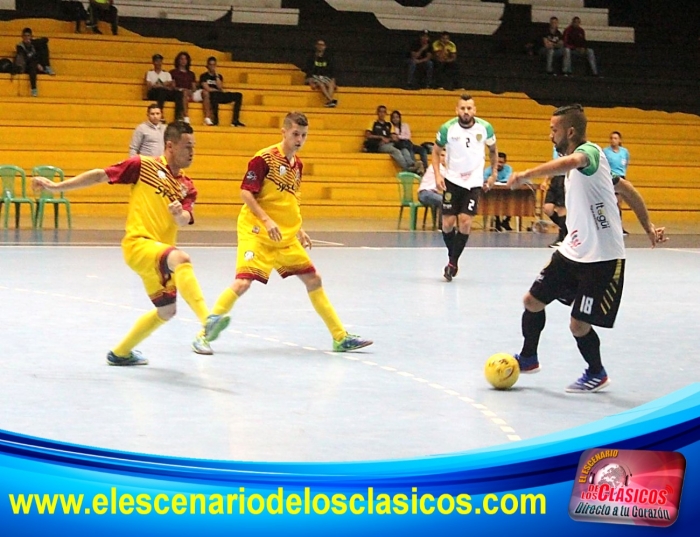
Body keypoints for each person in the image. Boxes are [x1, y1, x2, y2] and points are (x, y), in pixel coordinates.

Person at [32, 122, 230, 366]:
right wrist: (57, 187)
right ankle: (207, 320)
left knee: (167, 311)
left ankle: (121, 353)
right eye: (187, 146)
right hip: (139, 245)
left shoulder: (187, 187)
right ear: (170, 145)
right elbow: (100, 175)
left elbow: (184, 219)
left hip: (158, 256)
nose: (192, 152)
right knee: (182, 259)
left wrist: (178, 214)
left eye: (194, 147)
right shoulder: (142, 165)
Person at [507, 104, 666, 393]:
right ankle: (528, 357)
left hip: (603, 258)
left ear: (570, 131)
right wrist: (648, 226)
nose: (550, 136)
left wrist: (527, 173)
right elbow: (628, 190)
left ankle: (596, 372)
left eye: (553, 130)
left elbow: (575, 161)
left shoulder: (590, 153)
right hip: (573, 250)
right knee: (532, 301)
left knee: (578, 325)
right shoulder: (591, 167)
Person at [195, 112, 372, 355]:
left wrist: (299, 229)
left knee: (314, 279)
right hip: (256, 231)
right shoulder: (264, 159)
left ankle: (340, 337)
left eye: (304, 135)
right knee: (243, 282)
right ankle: (203, 334)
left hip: (284, 235)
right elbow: (246, 193)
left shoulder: (297, 165)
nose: (300, 140)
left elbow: (288, 199)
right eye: (296, 134)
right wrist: (267, 220)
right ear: (284, 132)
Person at [433, 94, 498, 282]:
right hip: (452, 180)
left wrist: (493, 174)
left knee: (465, 221)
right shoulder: (447, 128)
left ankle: (452, 262)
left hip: (474, 181)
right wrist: (438, 175)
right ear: (457, 110)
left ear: (474, 110)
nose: (466, 112)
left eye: (469, 108)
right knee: (447, 223)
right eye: (462, 108)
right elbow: (436, 152)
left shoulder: (485, 128)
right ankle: (452, 257)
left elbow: (493, 151)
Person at [363, 105, 416, 172]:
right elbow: (368, 135)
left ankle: (412, 164)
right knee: (396, 151)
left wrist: (389, 139)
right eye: (380, 112)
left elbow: (395, 137)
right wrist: (381, 137)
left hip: (390, 143)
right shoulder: (373, 123)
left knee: (404, 149)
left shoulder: (389, 124)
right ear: (377, 113)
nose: (382, 114)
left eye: (384, 112)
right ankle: (407, 169)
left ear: (386, 113)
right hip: (380, 145)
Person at [199, 56, 245, 127]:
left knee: (238, 95)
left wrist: (216, 75)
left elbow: (220, 87)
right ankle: (215, 121)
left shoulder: (219, 76)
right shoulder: (203, 76)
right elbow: (207, 88)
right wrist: (216, 90)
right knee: (214, 95)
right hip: (211, 96)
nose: (212, 67)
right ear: (207, 66)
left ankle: (235, 120)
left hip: (219, 94)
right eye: (210, 65)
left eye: (214, 65)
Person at [603, 131, 631, 236]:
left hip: (620, 177)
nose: (613, 140)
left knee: (618, 203)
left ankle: (619, 226)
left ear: (619, 140)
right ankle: (608, 226)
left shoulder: (624, 152)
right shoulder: (605, 151)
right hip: (609, 177)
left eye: (615, 138)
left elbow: (626, 164)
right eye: (611, 138)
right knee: (609, 203)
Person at [14, 27, 55, 98]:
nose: (26, 38)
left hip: (38, 64)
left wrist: (33, 42)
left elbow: (46, 39)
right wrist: (37, 64)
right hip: (28, 66)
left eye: (28, 36)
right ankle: (34, 88)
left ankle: (47, 67)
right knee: (32, 64)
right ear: (22, 37)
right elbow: (26, 59)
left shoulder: (34, 43)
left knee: (44, 46)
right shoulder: (20, 46)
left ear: (31, 36)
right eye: (25, 36)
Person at [145, 53, 186, 122]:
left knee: (178, 93)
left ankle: (178, 116)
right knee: (161, 91)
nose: (158, 63)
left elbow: (171, 86)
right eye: (156, 61)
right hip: (154, 93)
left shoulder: (166, 74)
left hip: (165, 92)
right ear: (153, 62)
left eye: (159, 61)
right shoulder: (150, 73)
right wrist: (163, 85)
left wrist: (159, 85)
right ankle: (160, 113)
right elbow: (149, 86)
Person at [541, 147, 568, 248]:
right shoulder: (555, 148)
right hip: (555, 179)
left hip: (564, 178)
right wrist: (545, 180)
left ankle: (562, 238)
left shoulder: (570, 146)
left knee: (561, 209)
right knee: (547, 208)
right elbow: (553, 165)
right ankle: (567, 229)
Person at [483, 152, 513, 231]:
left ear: (505, 162)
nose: (499, 164)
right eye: (497, 162)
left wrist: (496, 180)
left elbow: (508, 179)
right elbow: (484, 178)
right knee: (495, 201)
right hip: (492, 194)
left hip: (506, 194)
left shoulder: (508, 169)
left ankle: (506, 220)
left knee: (512, 201)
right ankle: (497, 220)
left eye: (501, 162)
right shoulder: (488, 170)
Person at [305, 39, 338, 108]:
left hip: (324, 76)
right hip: (314, 76)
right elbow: (309, 70)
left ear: (325, 47)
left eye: (322, 45)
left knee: (331, 84)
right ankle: (331, 100)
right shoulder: (312, 57)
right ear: (316, 46)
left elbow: (332, 70)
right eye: (319, 44)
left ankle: (329, 102)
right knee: (321, 84)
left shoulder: (328, 58)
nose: (320, 46)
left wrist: (333, 81)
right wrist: (311, 82)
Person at [418, 147, 446, 225]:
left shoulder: (443, 168)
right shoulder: (436, 166)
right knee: (443, 200)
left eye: (445, 156)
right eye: (442, 155)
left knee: (448, 199)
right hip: (425, 194)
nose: (444, 158)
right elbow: (449, 179)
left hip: (433, 193)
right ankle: (442, 226)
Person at [170, 51, 197, 124]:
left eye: (185, 59)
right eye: (181, 59)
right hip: (179, 92)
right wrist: (182, 90)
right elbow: (173, 86)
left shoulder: (191, 74)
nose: (183, 61)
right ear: (178, 60)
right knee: (184, 93)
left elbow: (194, 87)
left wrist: (191, 91)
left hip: (190, 92)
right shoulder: (173, 72)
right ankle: (186, 116)